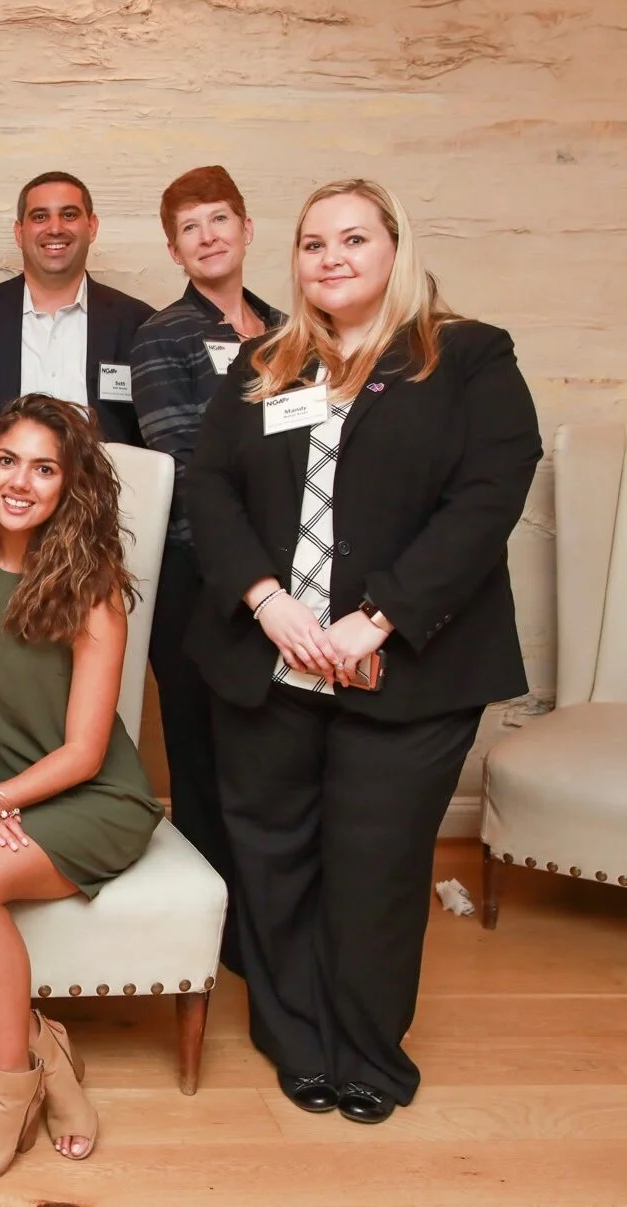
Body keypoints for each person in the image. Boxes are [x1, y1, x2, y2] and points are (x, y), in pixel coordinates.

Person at [187, 179, 541, 1125]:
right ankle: (296, 1038)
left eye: (353, 238)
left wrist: (375, 618)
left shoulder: (465, 355)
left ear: (395, 246)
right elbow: (209, 487)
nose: (330, 256)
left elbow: (488, 495)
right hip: (269, 663)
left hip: (410, 664)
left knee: (376, 864)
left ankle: (370, 1055)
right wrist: (265, 601)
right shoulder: (263, 361)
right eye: (312, 242)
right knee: (273, 854)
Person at [0, 395, 163, 1188]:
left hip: (89, 794)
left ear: (69, 485)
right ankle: (51, 1055)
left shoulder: (95, 587)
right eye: (6, 460)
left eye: (43, 467)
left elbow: (86, 750)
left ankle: (8, 1086)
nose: (20, 481)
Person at [130, 166, 283, 972]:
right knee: (200, 745)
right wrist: (256, 556)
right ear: (174, 247)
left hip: (291, 582)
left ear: (248, 228)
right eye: (192, 227)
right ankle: (211, 930)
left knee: (270, 746)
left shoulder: (298, 330)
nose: (210, 236)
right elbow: (180, 460)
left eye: (221, 219)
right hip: (200, 572)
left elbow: (318, 456)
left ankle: (270, 916)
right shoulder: (163, 336)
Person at [0, 172, 153, 444]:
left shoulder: (138, 324)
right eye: (40, 217)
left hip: (104, 486)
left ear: (91, 227)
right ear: (19, 233)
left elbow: (148, 437)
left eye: (69, 215)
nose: (55, 228)